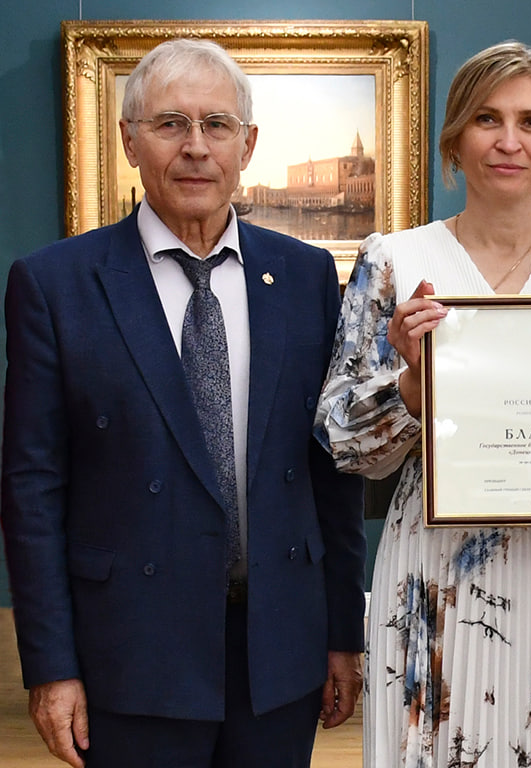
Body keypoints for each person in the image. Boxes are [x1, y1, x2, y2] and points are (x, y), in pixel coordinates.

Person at [1, 39, 366, 768]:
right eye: (170, 124)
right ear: (129, 140)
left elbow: (333, 473)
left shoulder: (305, 277)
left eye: (217, 125)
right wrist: (50, 665)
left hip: (278, 653)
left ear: (247, 145)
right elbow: (31, 490)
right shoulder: (56, 285)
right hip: (132, 654)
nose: (196, 147)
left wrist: (341, 634)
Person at [316, 41, 531, 768]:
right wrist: (411, 385)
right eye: (487, 118)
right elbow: (342, 442)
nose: (508, 140)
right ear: (454, 141)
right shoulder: (394, 259)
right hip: (433, 570)